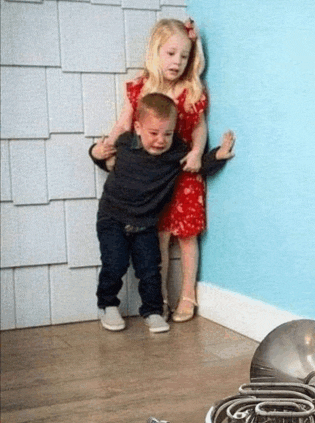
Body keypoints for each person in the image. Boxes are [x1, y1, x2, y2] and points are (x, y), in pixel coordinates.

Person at [90, 93, 235, 333]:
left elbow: (195, 166)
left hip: (146, 222)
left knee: (150, 268)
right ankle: (107, 304)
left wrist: (217, 155)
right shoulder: (125, 143)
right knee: (114, 262)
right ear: (138, 128)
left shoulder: (175, 152)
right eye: (153, 133)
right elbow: (100, 155)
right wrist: (95, 152)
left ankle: (153, 310)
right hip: (112, 217)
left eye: (167, 134)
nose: (160, 140)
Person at [100, 18, 211, 323]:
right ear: (156, 52)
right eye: (171, 53)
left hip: (184, 175)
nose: (177, 62)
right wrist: (108, 146)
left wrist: (198, 153)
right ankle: (157, 299)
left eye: (184, 56)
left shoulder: (191, 91)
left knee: (188, 238)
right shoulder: (141, 88)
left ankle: (187, 296)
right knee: (157, 237)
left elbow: (200, 130)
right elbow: (124, 123)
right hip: (152, 183)